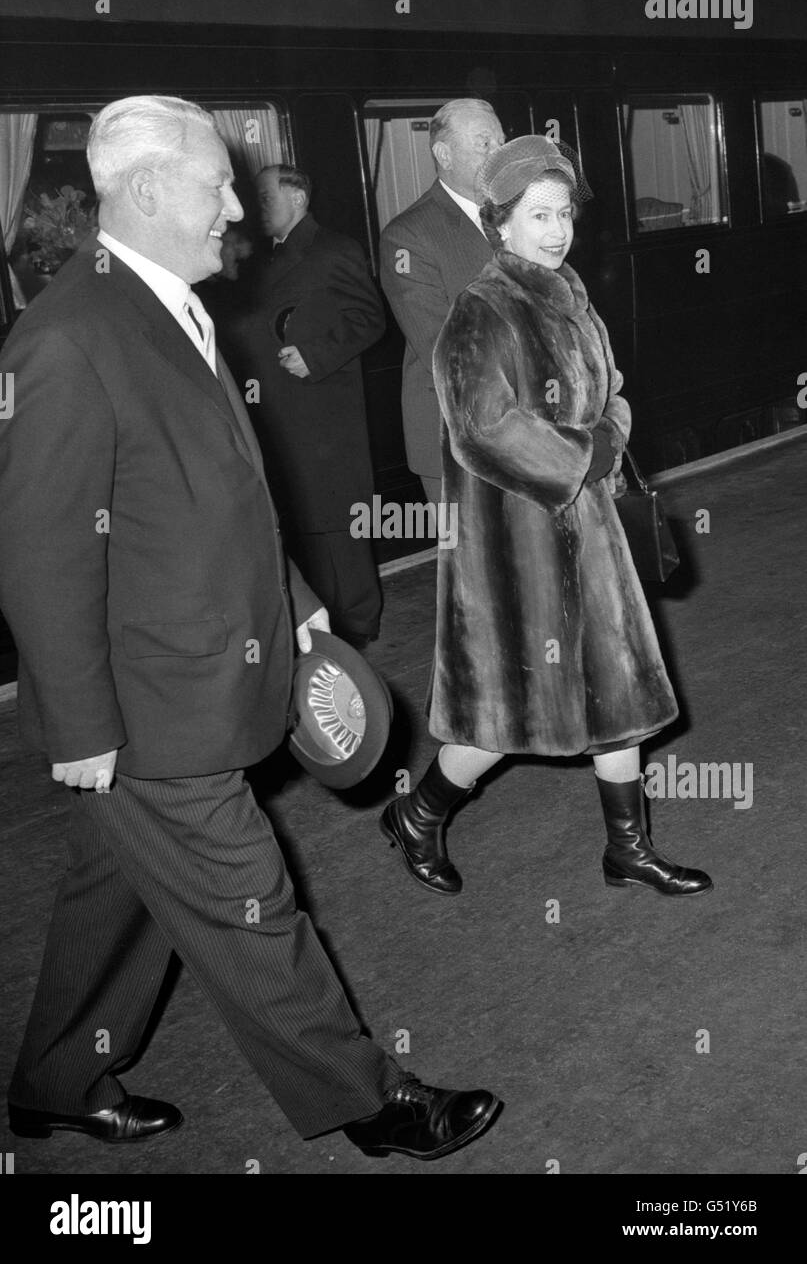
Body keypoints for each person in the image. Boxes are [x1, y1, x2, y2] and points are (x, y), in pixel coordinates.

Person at [0, 96, 501, 1161]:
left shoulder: (165, 303)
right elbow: (39, 551)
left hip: (203, 657)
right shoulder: (67, 336)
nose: (237, 201)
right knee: (250, 897)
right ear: (143, 191)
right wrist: (84, 728)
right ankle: (373, 1099)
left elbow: (211, 489)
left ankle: (54, 1079)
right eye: (214, 183)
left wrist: (296, 598)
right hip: (145, 699)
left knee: (119, 893)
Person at [380, 135, 713, 902]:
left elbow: (610, 388)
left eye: (563, 212)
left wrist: (611, 423)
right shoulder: (481, 310)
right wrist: (590, 451)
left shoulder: (565, 292)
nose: (557, 228)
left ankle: (627, 849)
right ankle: (418, 813)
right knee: (501, 714)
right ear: (500, 221)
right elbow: (483, 429)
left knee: (617, 690)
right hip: (519, 544)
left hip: (587, 533)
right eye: (539, 214)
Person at [218, 164, 383, 648]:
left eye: (266, 196)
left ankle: (357, 623)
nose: (257, 206)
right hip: (277, 413)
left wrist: (316, 354)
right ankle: (321, 622)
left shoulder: (334, 250)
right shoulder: (260, 257)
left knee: (340, 523)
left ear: (298, 198)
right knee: (304, 521)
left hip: (323, 414)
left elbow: (370, 318)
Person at [380, 99, 504, 504]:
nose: (499, 153)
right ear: (443, 154)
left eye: (502, 141)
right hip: (459, 436)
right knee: (476, 565)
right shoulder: (409, 236)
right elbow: (445, 348)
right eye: (485, 143)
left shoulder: (521, 217)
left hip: (529, 430)